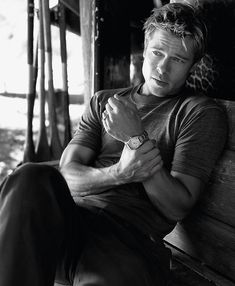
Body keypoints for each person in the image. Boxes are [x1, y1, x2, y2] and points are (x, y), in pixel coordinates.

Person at [0, 3, 227, 286]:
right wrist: (121, 172)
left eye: (178, 59)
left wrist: (136, 138)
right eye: (157, 52)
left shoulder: (198, 112)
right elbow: (66, 176)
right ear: (145, 47)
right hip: (70, 223)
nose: (162, 67)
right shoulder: (104, 101)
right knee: (29, 176)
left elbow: (176, 208)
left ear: (192, 65)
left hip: (127, 241)